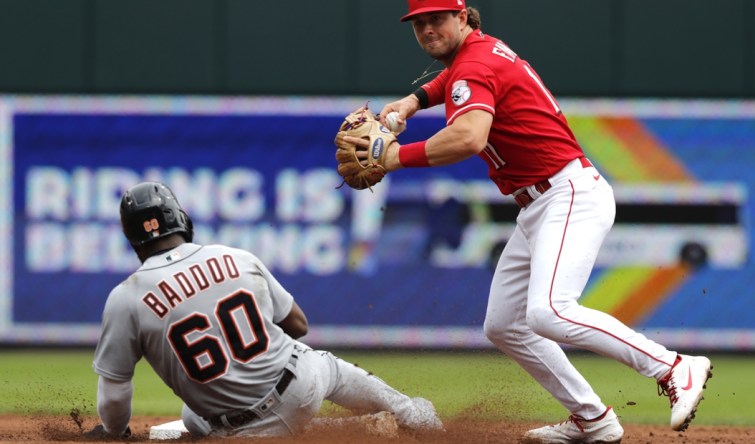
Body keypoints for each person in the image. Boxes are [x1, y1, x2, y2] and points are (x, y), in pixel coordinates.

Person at [342, 1, 713, 442]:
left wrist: (395, 157)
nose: (427, 29)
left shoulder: (474, 64)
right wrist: (412, 101)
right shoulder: (476, 54)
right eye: (419, 23)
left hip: (567, 195)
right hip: (539, 204)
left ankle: (673, 367)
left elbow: (468, 137)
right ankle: (593, 418)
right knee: (504, 325)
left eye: (437, 19)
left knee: (551, 311)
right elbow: (453, 80)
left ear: (462, 17)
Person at [89, 181, 443, 439]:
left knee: (194, 417)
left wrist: (115, 432)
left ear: (131, 237)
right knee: (325, 366)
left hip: (237, 430)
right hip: (299, 385)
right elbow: (298, 325)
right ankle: (411, 415)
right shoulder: (235, 257)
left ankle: (355, 430)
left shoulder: (126, 297)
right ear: (180, 218)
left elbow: (116, 390)